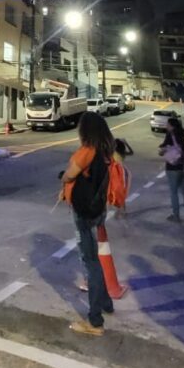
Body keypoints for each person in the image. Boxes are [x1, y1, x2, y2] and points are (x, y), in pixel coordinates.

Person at [59, 111, 115, 336]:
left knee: (90, 262)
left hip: (84, 212)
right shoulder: (104, 150)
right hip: (98, 209)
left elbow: (69, 175)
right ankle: (106, 303)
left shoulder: (87, 151)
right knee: (94, 260)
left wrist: (63, 177)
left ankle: (95, 321)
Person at [160, 116, 184, 223]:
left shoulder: (170, 134)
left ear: (171, 125)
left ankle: (176, 216)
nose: (166, 126)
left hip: (172, 167)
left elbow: (163, 149)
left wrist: (162, 152)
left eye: (167, 124)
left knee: (174, 192)